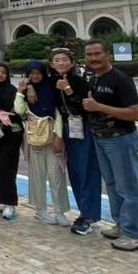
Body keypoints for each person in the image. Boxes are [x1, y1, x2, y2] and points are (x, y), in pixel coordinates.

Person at [82, 40, 138, 252]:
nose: (93, 58)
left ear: (107, 54)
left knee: (128, 188)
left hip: (121, 139)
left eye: (97, 54)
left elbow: (137, 114)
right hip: (101, 139)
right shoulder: (93, 78)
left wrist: (98, 106)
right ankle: (121, 225)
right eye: (89, 55)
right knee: (112, 185)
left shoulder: (120, 80)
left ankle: (135, 235)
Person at [50, 48, 102, 236]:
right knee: (75, 172)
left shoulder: (80, 81)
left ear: (72, 63)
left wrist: (69, 90)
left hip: (83, 128)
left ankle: (88, 216)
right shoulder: (52, 82)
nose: (61, 63)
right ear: (52, 64)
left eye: (64, 59)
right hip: (67, 129)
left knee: (87, 171)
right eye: (57, 60)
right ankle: (87, 213)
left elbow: (86, 107)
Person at [16, 60, 70, 225]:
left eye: (38, 72)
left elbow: (58, 113)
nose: (35, 76)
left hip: (52, 133)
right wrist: (21, 91)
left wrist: (58, 136)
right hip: (34, 136)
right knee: (37, 174)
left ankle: (60, 211)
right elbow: (19, 110)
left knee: (56, 175)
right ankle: (40, 210)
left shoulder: (52, 87)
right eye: (31, 73)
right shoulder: (25, 89)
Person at [0, 62, 21, 220]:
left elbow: (18, 109)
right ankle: (3, 200)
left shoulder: (11, 89)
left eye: (3, 72)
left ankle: (10, 203)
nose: (0, 74)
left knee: (7, 165)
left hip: (12, 132)